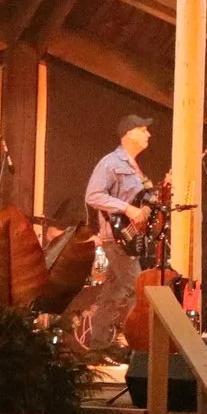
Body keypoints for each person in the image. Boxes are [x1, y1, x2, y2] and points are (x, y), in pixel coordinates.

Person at [80, 115, 155, 351]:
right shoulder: (110, 163)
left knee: (113, 292)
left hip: (129, 238)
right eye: (143, 130)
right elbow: (93, 196)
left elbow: (140, 202)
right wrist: (128, 209)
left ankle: (98, 346)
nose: (148, 134)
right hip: (116, 239)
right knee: (139, 290)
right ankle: (140, 347)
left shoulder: (134, 168)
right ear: (129, 133)